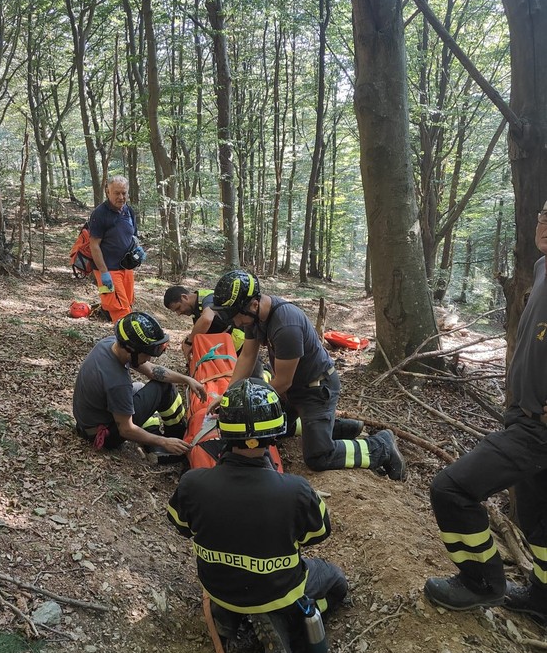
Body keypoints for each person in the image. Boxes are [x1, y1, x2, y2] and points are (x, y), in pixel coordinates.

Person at [424, 203, 547, 621]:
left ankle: (481, 583)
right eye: (543, 215)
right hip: (523, 416)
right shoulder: (544, 268)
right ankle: (543, 599)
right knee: (538, 522)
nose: (545, 224)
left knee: (452, 488)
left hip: (538, 430)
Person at [167, 378, 348, 653]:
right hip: (278, 589)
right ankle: (287, 620)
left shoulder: (192, 484)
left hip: (220, 588)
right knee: (336, 580)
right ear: (275, 435)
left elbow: (181, 526)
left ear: (222, 430)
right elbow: (318, 533)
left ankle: (228, 616)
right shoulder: (295, 490)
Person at [209, 269, 406, 480]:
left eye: (236, 317)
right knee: (265, 430)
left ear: (253, 305)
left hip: (315, 390)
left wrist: (247, 404)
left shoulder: (286, 325)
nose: (236, 324)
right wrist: (230, 395)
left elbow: (283, 382)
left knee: (318, 457)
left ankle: (381, 445)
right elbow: (247, 356)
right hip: (294, 389)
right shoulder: (253, 317)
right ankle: (336, 427)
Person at [73, 311, 206, 460]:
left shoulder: (111, 344)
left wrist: (187, 379)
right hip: (106, 435)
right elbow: (126, 430)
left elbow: (151, 371)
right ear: (131, 350)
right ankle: (175, 439)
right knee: (164, 388)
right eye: (146, 354)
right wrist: (165, 442)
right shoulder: (117, 382)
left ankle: (154, 439)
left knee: (141, 387)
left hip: (90, 424)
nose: (148, 358)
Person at [88, 175, 146, 322]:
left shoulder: (129, 212)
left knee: (128, 304)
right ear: (108, 192)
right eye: (117, 193)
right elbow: (94, 245)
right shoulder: (100, 214)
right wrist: (103, 273)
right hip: (108, 270)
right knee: (119, 309)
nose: (121, 197)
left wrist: (138, 249)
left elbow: (133, 237)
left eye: (124, 193)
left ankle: (123, 342)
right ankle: (126, 342)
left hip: (126, 268)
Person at [163, 285, 246, 361]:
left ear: (184, 297)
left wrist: (189, 342)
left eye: (178, 308)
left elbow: (207, 319)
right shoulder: (196, 307)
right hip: (225, 349)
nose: (178, 313)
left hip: (241, 347)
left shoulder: (208, 298)